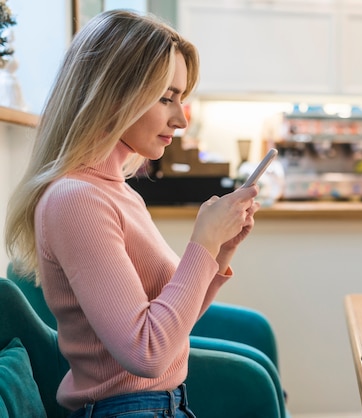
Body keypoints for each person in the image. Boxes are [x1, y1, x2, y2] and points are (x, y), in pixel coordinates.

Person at [4, 9, 260, 417]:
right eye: (166, 97)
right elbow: (147, 352)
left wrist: (218, 251)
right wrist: (202, 243)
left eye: (182, 99)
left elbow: (171, 326)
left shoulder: (116, 192)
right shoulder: (77, 200)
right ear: (113, 93)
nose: (180, 119)